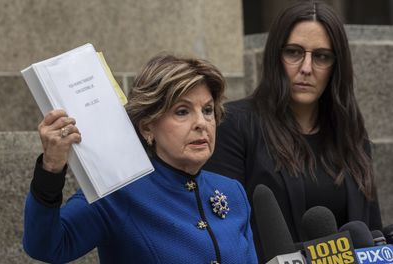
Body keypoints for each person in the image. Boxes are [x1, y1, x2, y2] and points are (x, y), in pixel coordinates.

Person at [23, 54, 258, 263]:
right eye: (182, 111)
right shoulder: (117, 191)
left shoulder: (232, 191)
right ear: (148, 127)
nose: (201, 123)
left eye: (207, 110)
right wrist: (51, 168)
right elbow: (47, 246)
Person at [205, 1, 382, 261]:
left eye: (321, 56)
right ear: (276, 56)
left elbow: (372, 234)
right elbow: (224, 229)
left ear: (336, 65)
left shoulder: (352, 136)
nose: (306, 68)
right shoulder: (235, 125)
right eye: (294, 52)